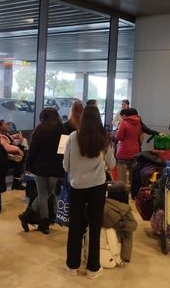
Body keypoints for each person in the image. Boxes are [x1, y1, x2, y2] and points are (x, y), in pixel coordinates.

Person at [63, 106, 115, 279]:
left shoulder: (72, 137)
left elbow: (66, 166)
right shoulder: (104, 139)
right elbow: (112, 163)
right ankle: (93, 268)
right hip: (98, 186)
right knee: (95, 226)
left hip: (77, 186)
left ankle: (72, 266)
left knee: (75, 226)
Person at [19, 108, 64, 234]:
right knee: (47, 193)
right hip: (55, 167)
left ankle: (32, 217)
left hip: (40, 167)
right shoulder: (62, 130)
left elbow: (33, 151)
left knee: (43, 194)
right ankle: (38, 220)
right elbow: (63, 151)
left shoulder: (40, 130)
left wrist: (28, 166)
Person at [0, 119, 26, 190]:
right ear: (1, 127)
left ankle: (16, 182)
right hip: (3, 158)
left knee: (21, 158)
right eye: (5, 124)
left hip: (9, 156)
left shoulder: (5, 134)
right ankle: (16, 182)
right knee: (21, 158)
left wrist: (17, 136)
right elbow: (6, 147)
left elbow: (10, 138)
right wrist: (18, 149)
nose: (8, 125)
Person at [115, 108, 143, 187]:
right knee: (133, 176)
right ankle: (133, 194)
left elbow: (119, 137)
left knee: (121, 178)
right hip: (135, 151)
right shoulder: (138, 123)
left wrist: (117, 131)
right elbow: (140, 135)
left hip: (123, 151)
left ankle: (122, 195)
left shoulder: (124, 123)